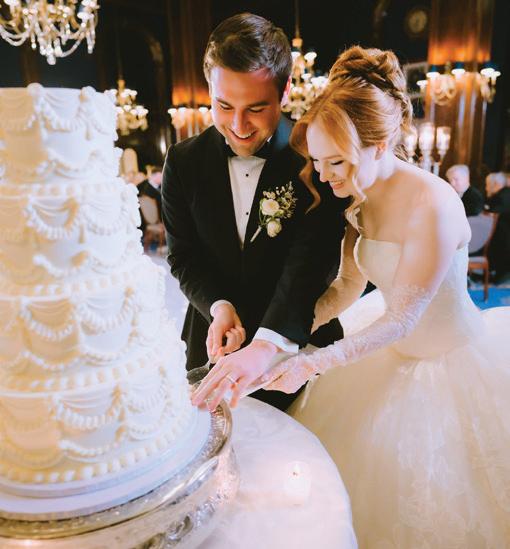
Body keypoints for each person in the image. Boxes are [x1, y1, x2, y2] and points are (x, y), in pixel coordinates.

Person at [259, 46, 510, 547]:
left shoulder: (432, 204)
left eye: (337, 162)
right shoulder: (359, 198)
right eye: (318, 161)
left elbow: (401, 319)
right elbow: (348, 286)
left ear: (379, 144)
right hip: (390, 355)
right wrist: (281, 337)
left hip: (449, 359)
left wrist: (313, 363)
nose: (324, 175)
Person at [162, 13, 347, 411]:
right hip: (212, 348)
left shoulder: (316, 155)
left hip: (297, 349)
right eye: (223, 105)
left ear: (285, 92)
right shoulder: (182, 161)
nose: (238, 125)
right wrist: (218, 306)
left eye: (256, 108)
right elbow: (183, 257)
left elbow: (311, 265)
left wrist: (268, 344)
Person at [486, 171, 510, 282]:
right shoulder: (504, 193)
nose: (486, 188)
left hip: (503, 235)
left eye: (488, 184)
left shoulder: (502, 195)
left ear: (495, 184)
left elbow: (493, 212)